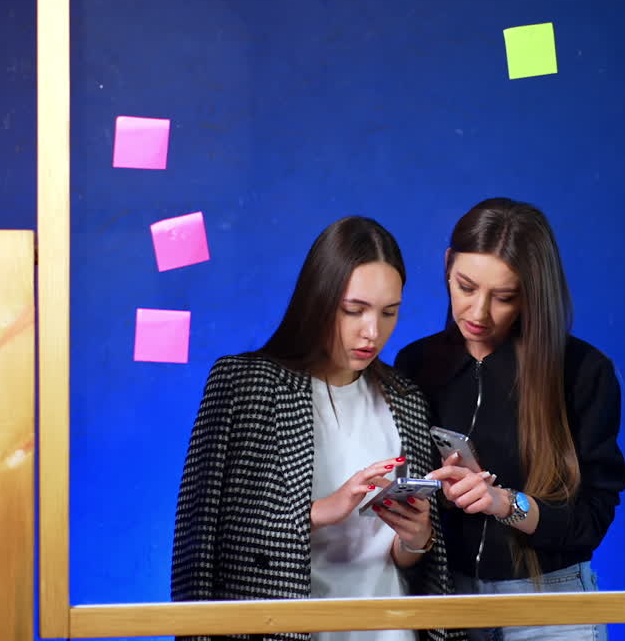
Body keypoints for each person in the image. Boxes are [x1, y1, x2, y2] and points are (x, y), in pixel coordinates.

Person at [172, 216, 462, 641]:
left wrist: (416, 540)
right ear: (318, 299)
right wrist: (321, 511)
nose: (372, 332)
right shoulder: (244, 383)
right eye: (354, 310)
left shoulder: (406, 397)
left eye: (389, 313)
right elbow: (200, 542)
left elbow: (409, 564)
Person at [395, 198, 625, 641]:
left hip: (551, 605)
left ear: (533, 292)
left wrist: (503, 503)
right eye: (466, 287)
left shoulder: (583, 371)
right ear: (447, 266)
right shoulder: (416, 362)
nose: (478, 313)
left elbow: (592, 522)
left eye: (504, 297)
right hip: (447, 600)